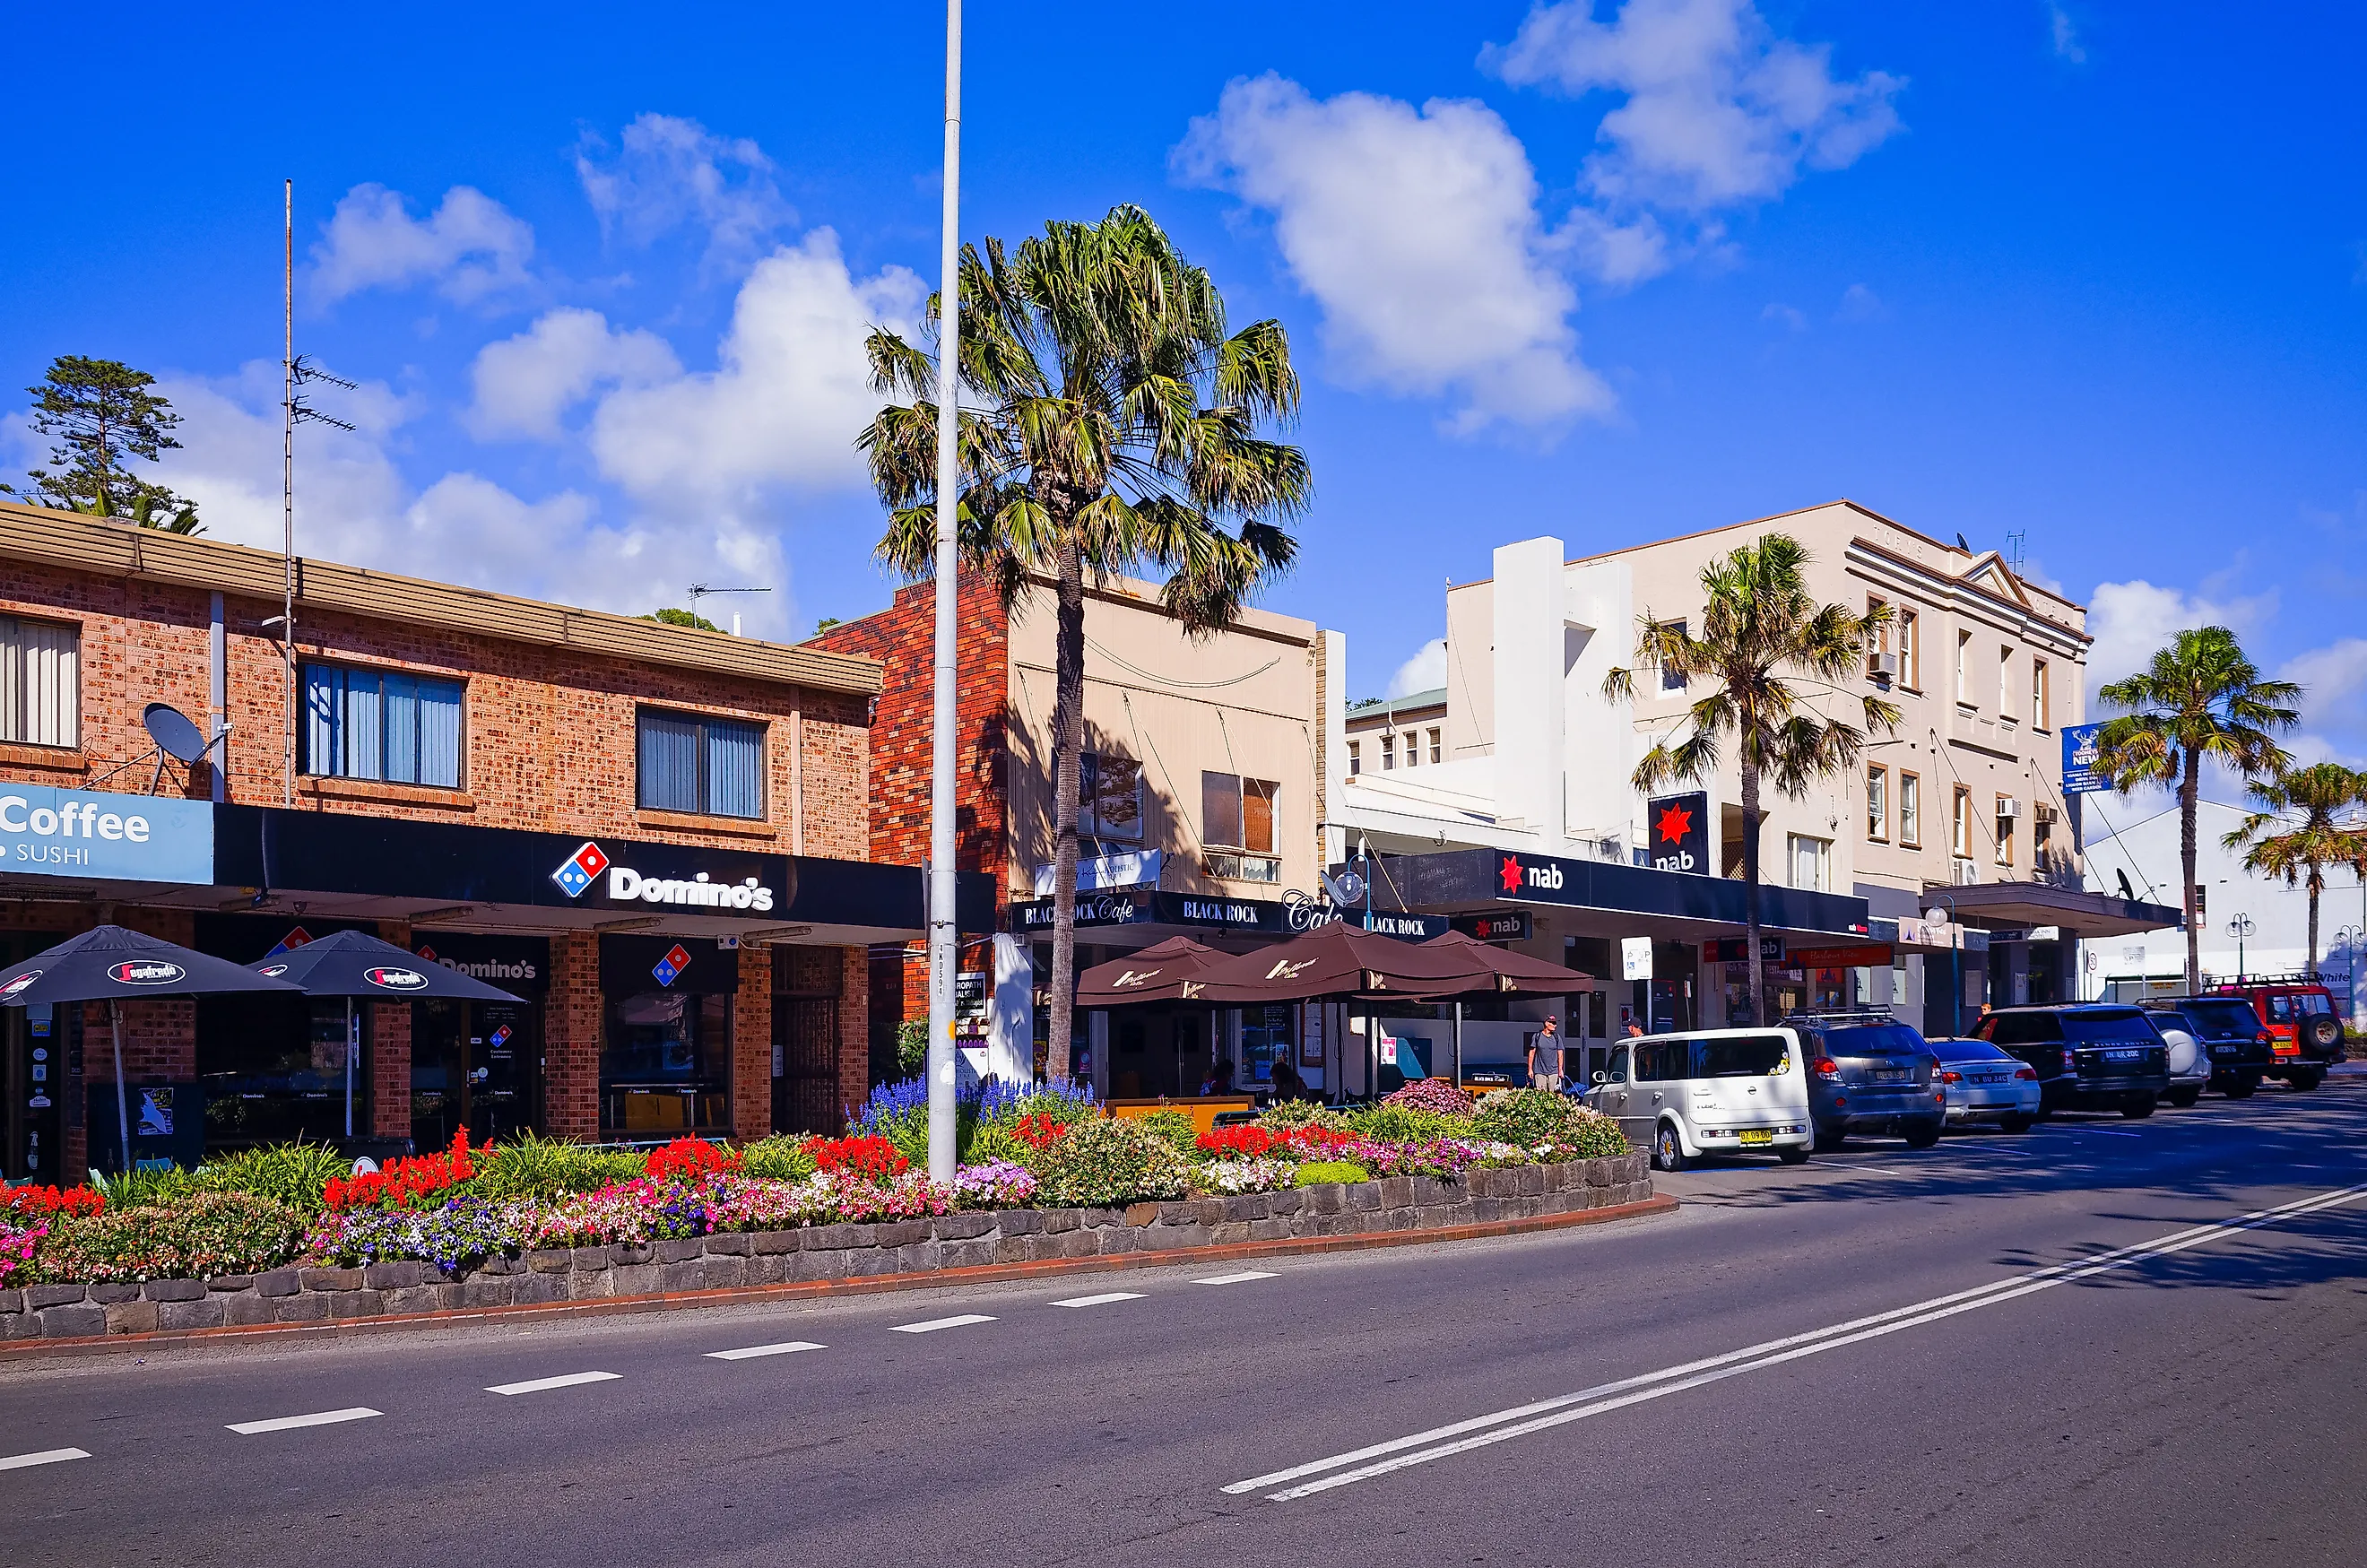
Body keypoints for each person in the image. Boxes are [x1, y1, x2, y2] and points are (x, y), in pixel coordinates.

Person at [1528, 1015, 1562, 1092]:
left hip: (1553, 1072)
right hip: (1539, 1071)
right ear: (1547, 1023)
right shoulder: (1537, 1036)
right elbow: (1532, 1052)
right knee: (1541, 1095)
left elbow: (1560, 1054)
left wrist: (1560, 1070)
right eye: (1553, 1023)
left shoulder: (1557, 1037)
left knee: (1553, 1096)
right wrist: (1530, 1069)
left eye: (1555, 1023)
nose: (1555, 1025)